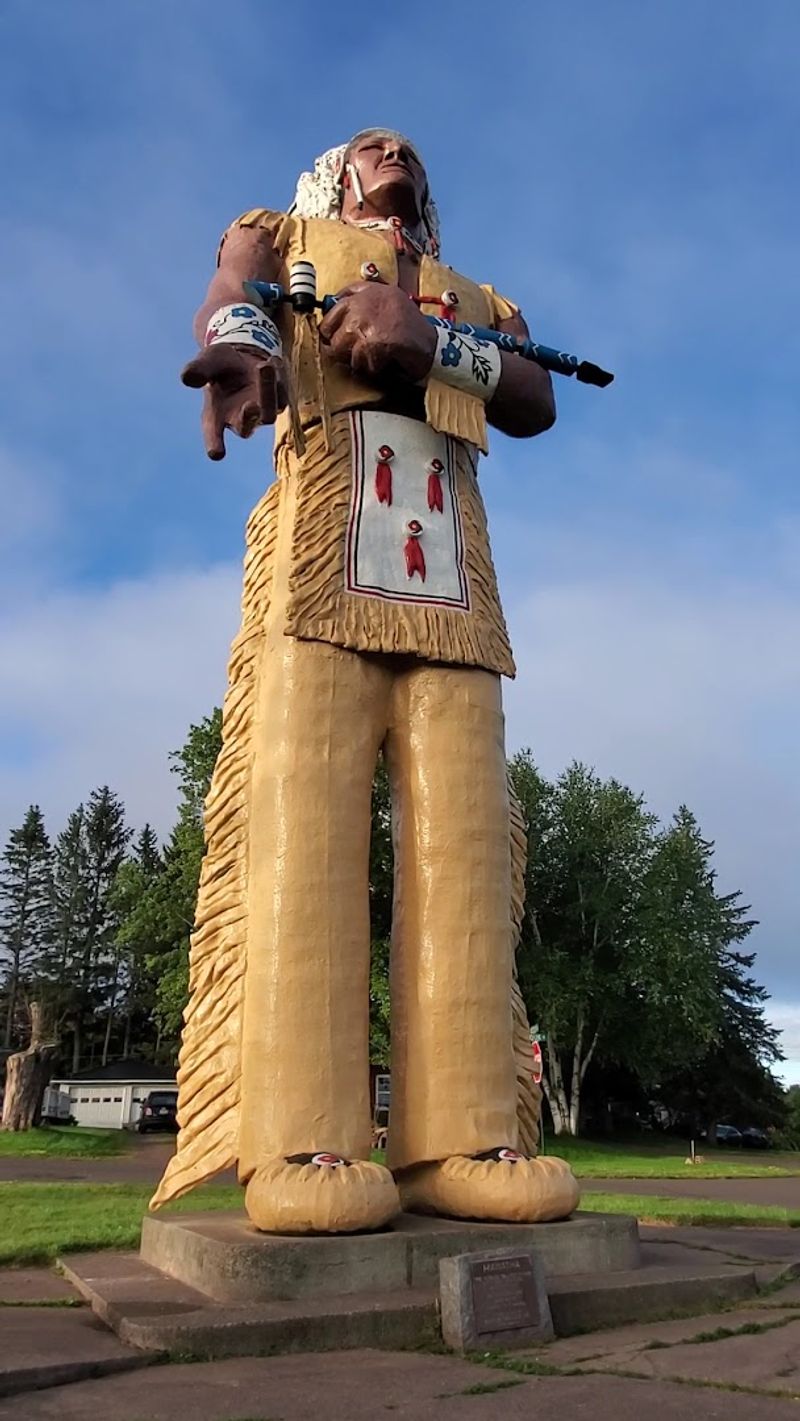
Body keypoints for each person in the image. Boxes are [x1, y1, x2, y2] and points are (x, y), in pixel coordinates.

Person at [151, 129, 579, 1233]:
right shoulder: (279, 232)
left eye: (407, 144)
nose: (391, 146)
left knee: (468, 848)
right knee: (304, 832)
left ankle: (465, 1133)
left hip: (453, 583)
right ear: (331, 176)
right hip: (317, 562)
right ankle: (299, 1131)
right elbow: (227, 295)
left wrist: (426, 338)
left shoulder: (476, 294)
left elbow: (532, 396)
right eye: (367, 140)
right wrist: (241, 342)